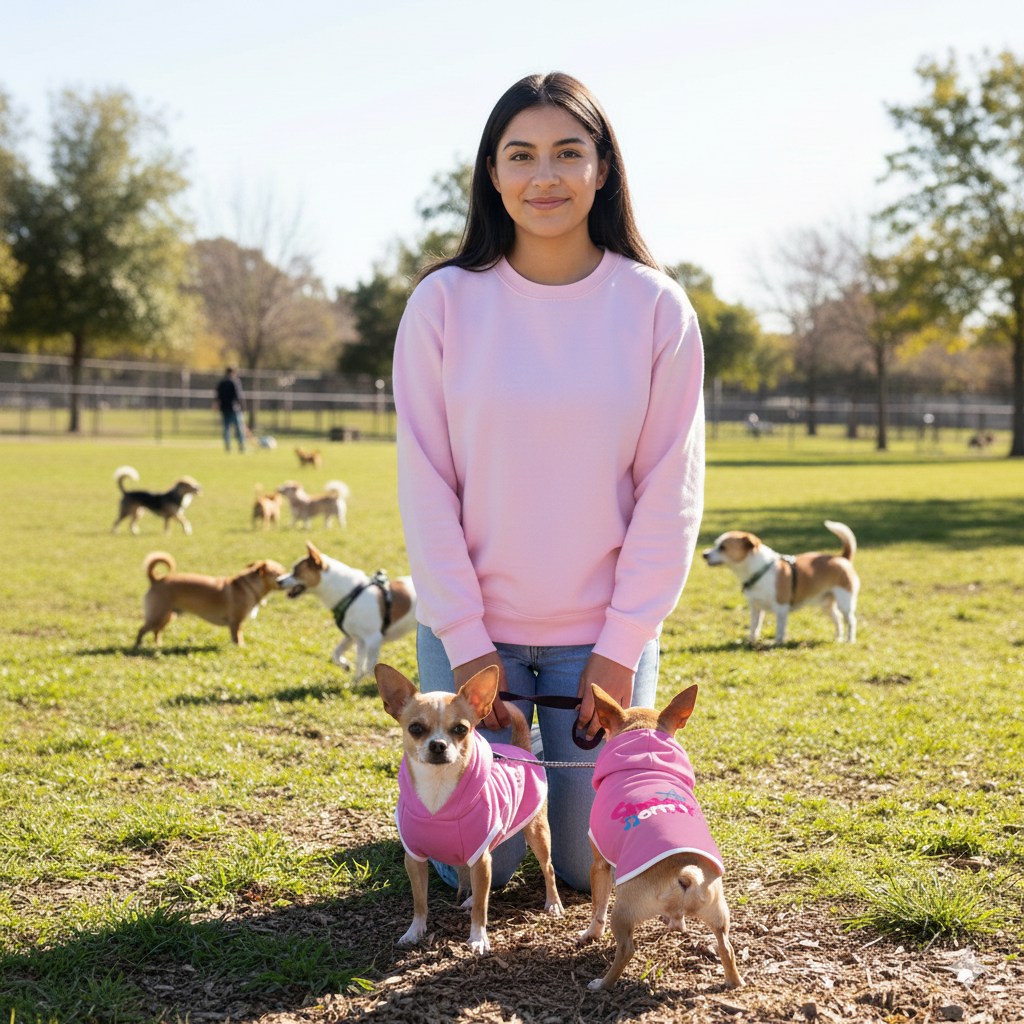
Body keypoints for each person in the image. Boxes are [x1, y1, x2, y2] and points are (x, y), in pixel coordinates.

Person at [392, 72, 705, 893]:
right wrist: (466, 641)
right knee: (472, 872)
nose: (545, 176)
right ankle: (447, 818)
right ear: (492, 173)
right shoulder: (442, 304)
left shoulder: (656, 307)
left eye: (569, 153)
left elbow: (671, 490)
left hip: (596, 641)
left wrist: (620, 645)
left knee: (578, 865)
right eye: (520, 155)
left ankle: (516, 797)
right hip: (474, 638)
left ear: (603, 168)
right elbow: (426, 483)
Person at [215, 367, 246, 452]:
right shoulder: (234, 382)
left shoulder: (222, 383)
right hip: (234, 409)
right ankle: (241, 447)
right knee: (237, 429)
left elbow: (218, 396)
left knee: (228, 429)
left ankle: (230, 447)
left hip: (226, 409)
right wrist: (242, 407)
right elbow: (238, 396)